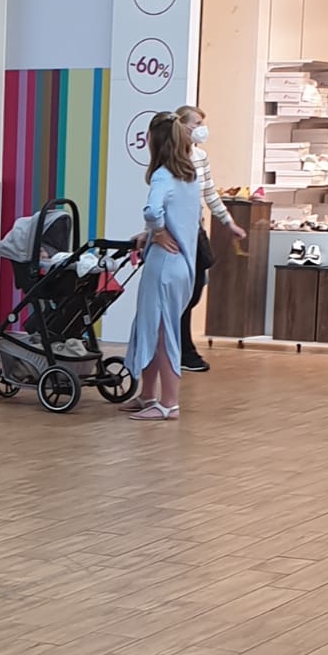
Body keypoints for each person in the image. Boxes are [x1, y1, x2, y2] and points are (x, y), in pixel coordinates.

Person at [121, 111, 201, 421]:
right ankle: (148, 394)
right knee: (155, 327)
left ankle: (168, 402)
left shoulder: (162, 176)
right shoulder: (189, 176)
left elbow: (153, 210)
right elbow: (184, 216)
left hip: (164, 265)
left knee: (160, 332)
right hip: (182, 265)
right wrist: (152, 233)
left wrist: (157, 231)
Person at [175, 104, 247, 372]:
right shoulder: (171, 160)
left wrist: (228, 222)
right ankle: (181, 349)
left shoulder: (200, 157)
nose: (201, 129)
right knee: (183, 294)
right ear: (182, 126)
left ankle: (182, 347)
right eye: (196, 124)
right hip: (177, 234)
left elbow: (210, 193)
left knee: (194, 291)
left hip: (195, 232)